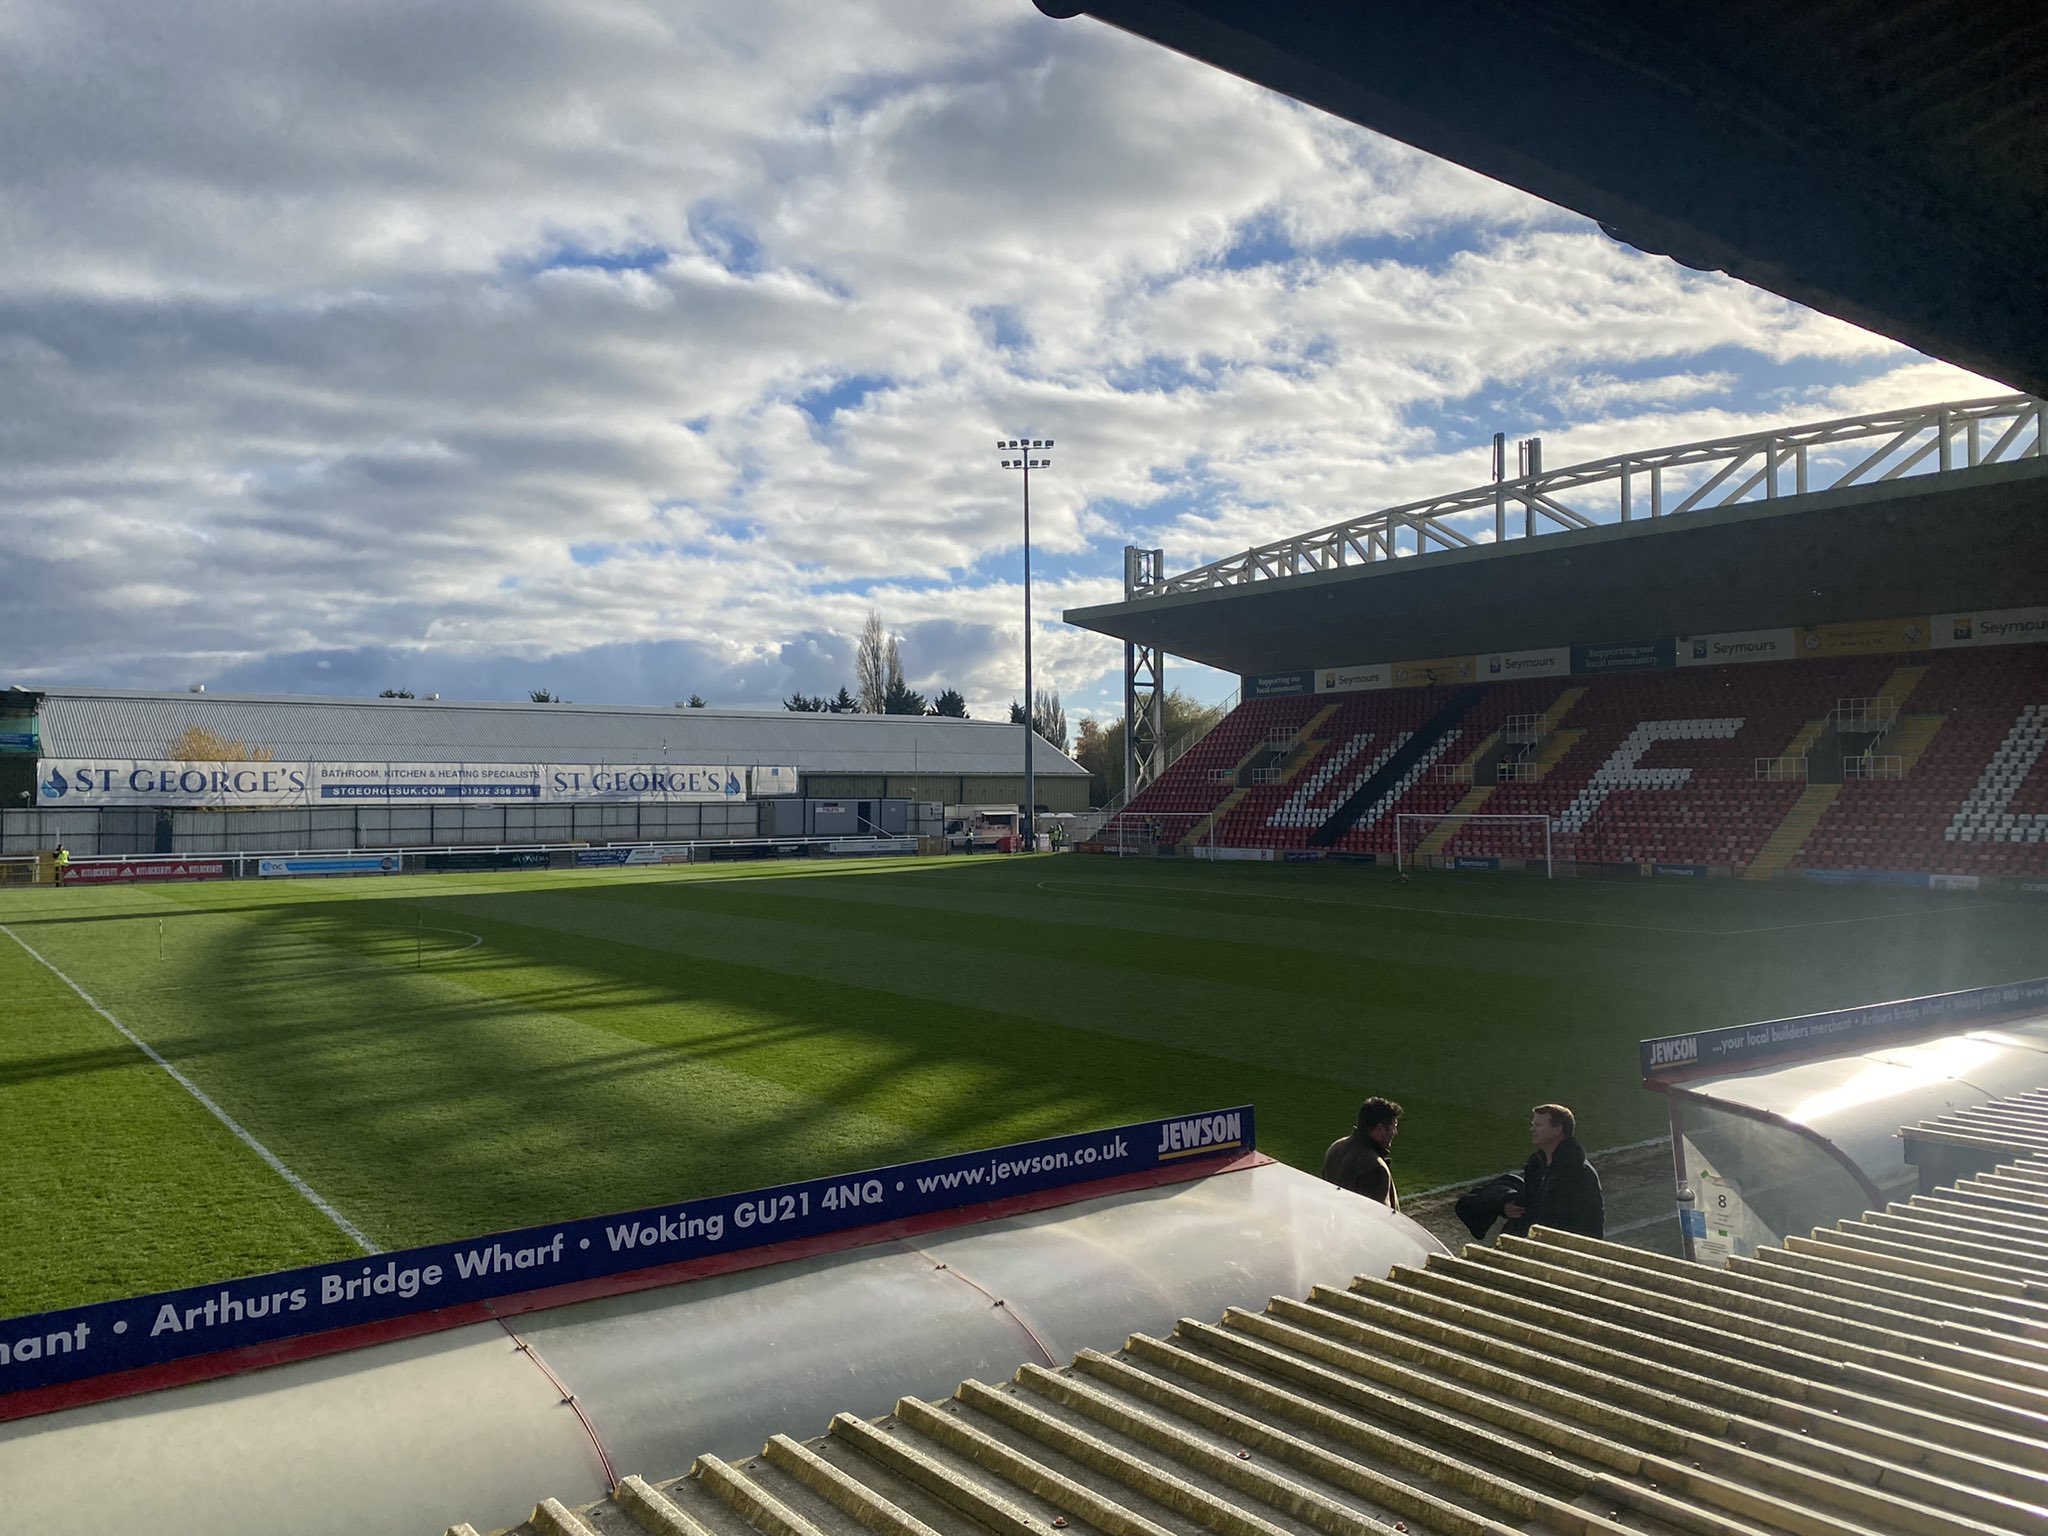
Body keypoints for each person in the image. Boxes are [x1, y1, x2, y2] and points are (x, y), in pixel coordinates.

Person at [1501, 1103, 1604, 1239]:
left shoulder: (1581, 1173)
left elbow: (1591, 1225)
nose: (1532, 1129)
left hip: (1557, 1249)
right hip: (1534, 1243)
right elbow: (1531, 1206)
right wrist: (1506, 1206)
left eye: (1538, 1125)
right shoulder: (1536, 1165)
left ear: (1558, 1129)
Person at [1322, 1096, 1402, 1210]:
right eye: (1393, 1127)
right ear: (1380, 1128)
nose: (1395, 1133)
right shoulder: (1376, 1167)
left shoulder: (1336, 1148)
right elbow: (1379, 1217)